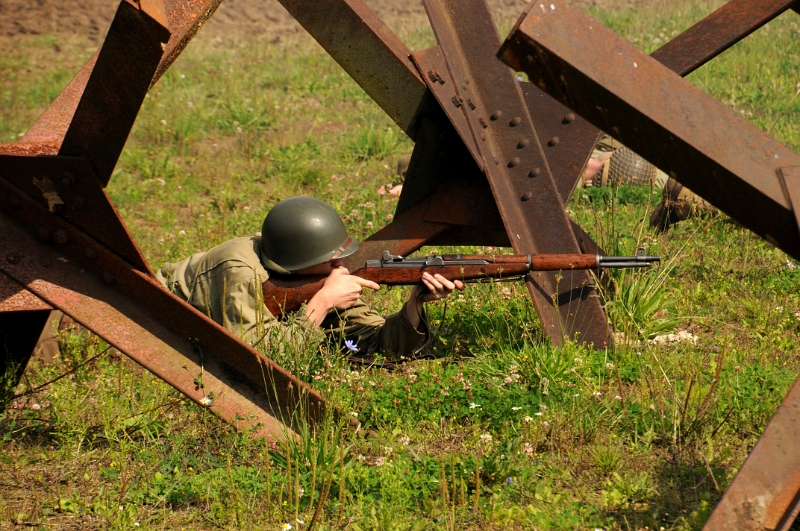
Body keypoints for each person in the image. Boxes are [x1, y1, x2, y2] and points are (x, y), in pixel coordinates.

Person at [156, 196, 463, 359]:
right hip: (158, 314)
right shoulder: (241, 273)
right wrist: (321, 304)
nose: (342, 265)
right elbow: (255, 360)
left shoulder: (319, 274)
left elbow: (377, 342)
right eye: (331, 260)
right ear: (297, 264)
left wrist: (414, 304)